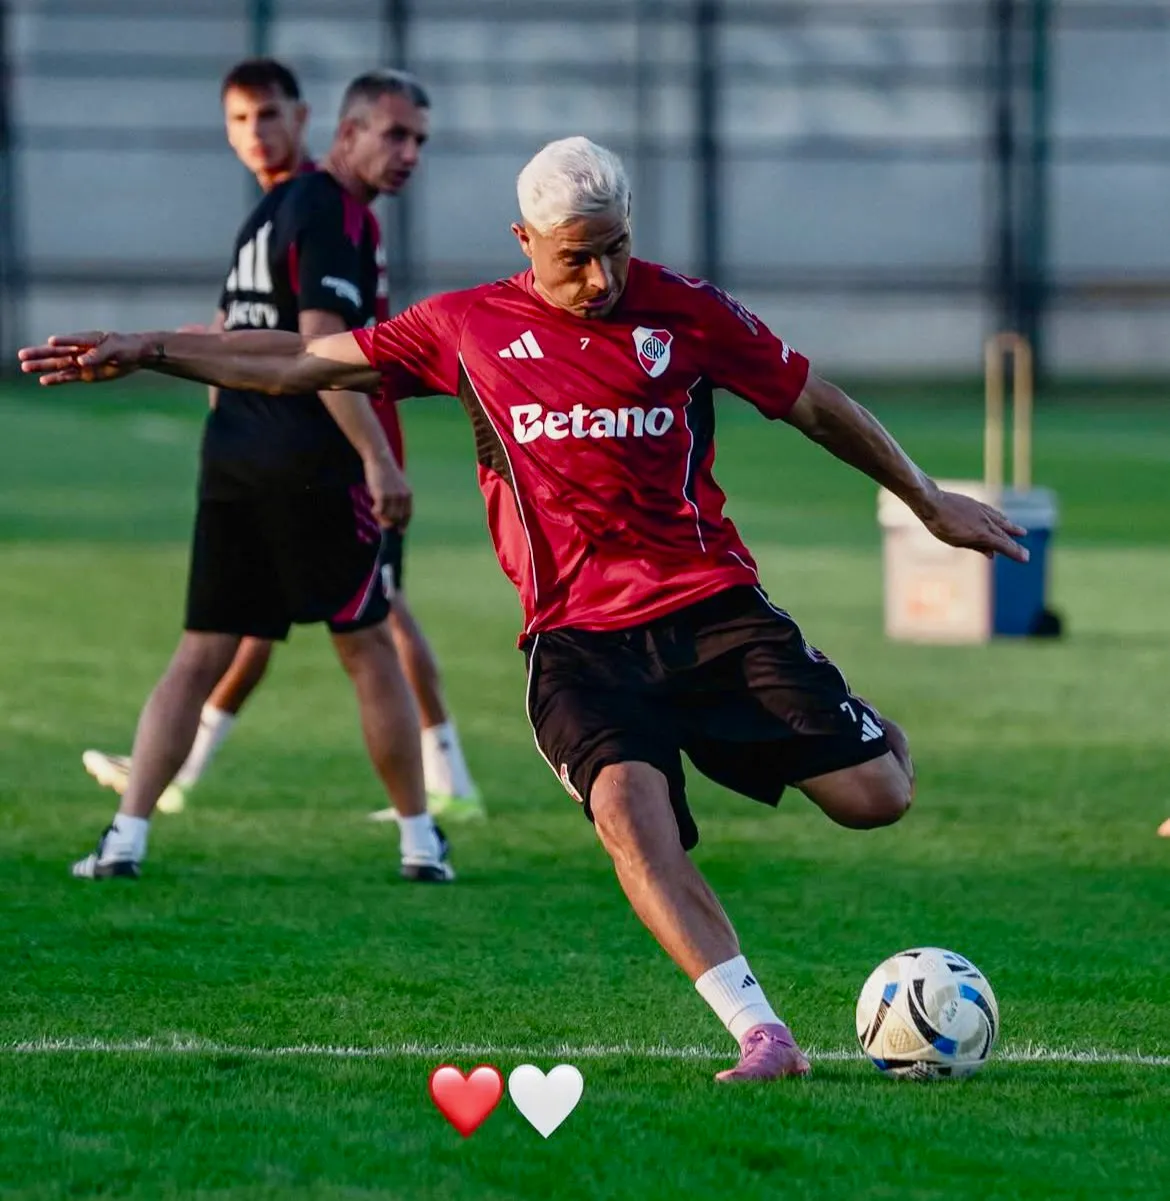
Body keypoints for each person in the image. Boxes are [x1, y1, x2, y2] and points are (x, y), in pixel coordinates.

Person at [20, 136, 1029, 1078]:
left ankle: (855, 733)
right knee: (633, 821)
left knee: (877, 798)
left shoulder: (687, 311)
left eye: (617, 251)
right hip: (579, 643)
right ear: (525, 243)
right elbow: (297, 362)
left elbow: (815, 403)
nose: (601, 280)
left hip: (712, 610)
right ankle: (762, 1031)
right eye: (577, 259)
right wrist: (153, 348)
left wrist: (928, 499)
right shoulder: (466, 328)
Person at [80, 59, 482, 828]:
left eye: (268, 115)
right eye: (239, 119)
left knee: (290, 631)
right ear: (350, 130)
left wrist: (163, 351)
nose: (255, 134)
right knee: (350, 632)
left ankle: (150, 805)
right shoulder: (315, 210)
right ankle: (426, 821)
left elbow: (294, 344)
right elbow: (302, 342)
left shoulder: (306, 207)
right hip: (313, 456)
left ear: (305, 120)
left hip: (293, 449)